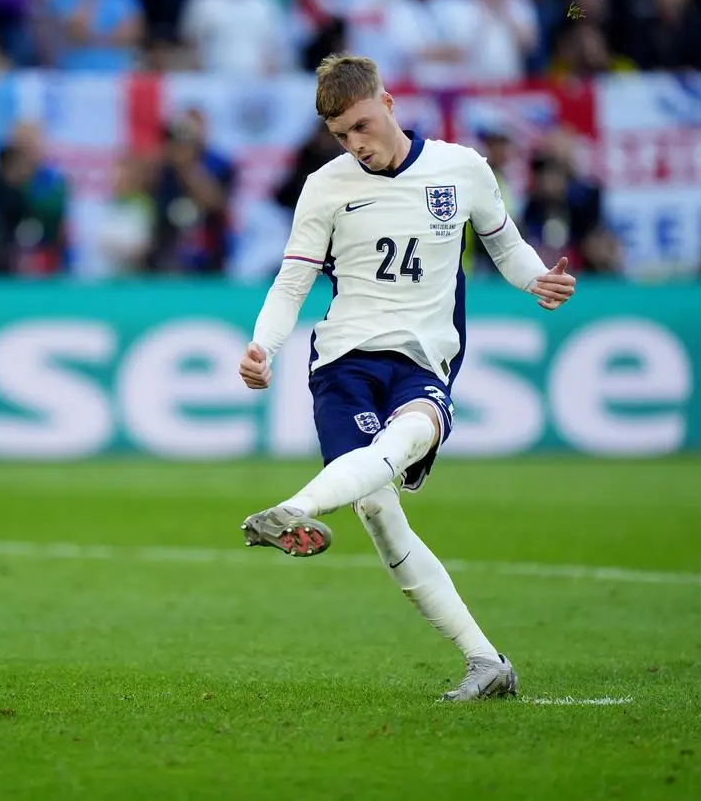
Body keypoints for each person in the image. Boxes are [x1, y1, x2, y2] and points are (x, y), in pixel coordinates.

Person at [235, 54, 576, 702]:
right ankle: (487, 662)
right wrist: (262, 347)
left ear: (389, 103)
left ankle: (296, 509)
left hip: (424, 360)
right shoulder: (326, 186)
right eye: (342, 136)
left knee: (409, 435)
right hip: (344, 363)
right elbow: (292, 282)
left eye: (362, 125)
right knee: (378, 509)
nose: (356, 144)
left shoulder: (463, 169)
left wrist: (537, 278)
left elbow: (504, 243)